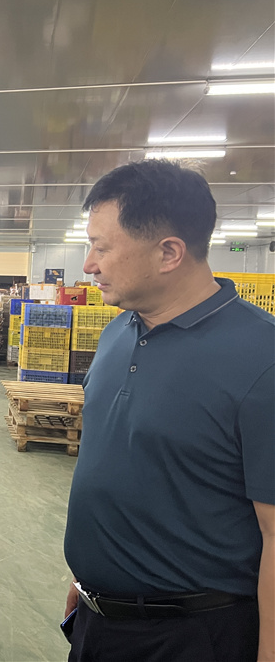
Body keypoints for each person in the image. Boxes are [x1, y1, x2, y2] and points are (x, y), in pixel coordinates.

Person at [62, 160, 274, 662]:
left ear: (169, 253)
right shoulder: (117, 332)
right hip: (97, 618)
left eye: (101, 248)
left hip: (192, 635)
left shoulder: (261, 358)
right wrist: (91, 577)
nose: (88, 265)